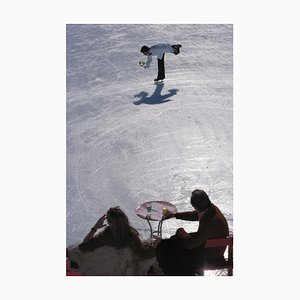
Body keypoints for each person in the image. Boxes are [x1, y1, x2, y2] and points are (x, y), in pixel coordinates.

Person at [155, 189, 229, 275]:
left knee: (176, 247)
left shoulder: (211, 222)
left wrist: (180, 231)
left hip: (212, 255)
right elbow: (195, 215)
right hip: (211, 245)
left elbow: (190, 244)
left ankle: (167, 268)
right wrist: (175, 215)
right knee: (175, 242)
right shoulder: (211, 209)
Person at [78, 206, 158, 259]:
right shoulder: (131, 235)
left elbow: (84, 245)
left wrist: (95, 227)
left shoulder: (106, 235)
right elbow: (142, 254)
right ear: (125, 219)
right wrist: (157, 245)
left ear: (109, 222)